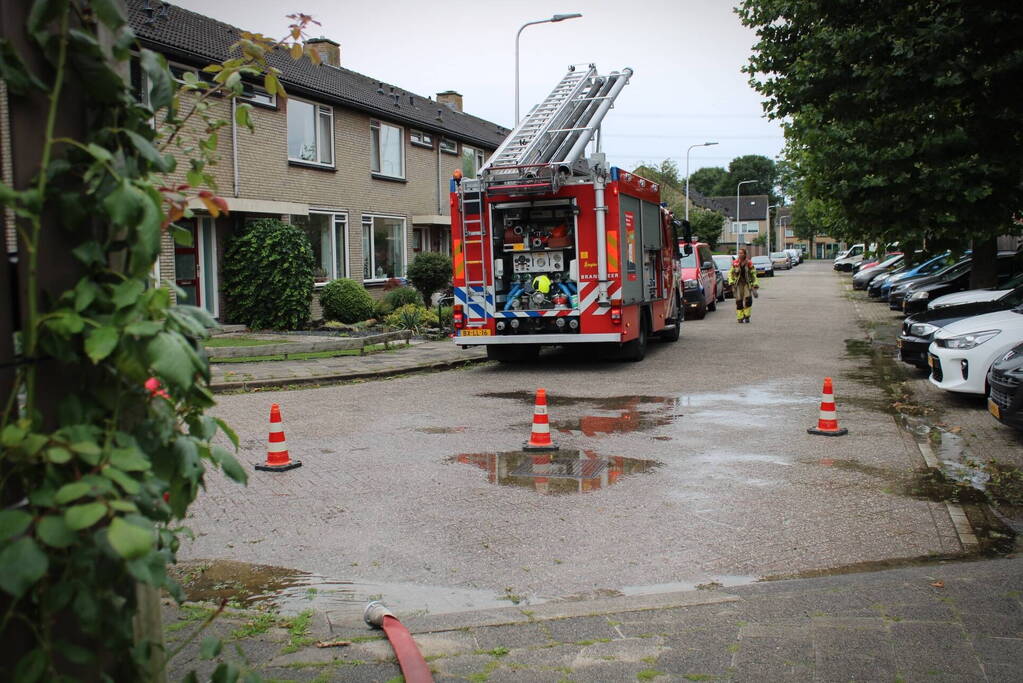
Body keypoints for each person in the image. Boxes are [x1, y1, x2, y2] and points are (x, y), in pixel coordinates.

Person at [728, 248, 759, 323]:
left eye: (742, 253)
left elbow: (753, 274)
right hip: (738, 284)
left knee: (748, 299)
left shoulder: (749, 263)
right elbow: (730, 273)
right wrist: (731, 281)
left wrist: (755, 283)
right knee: (739, 301)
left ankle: (747, 316)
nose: (740, 254)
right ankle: (740, 317)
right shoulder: (735, 263)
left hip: (747, 284)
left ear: (745, 254)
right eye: (739, 253)